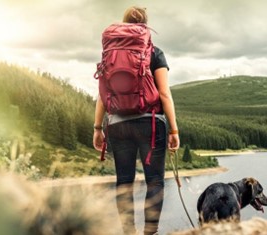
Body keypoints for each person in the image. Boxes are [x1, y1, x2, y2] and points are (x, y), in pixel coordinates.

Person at [92, 6, 180, 235]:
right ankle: (150, 233)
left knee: (124, 181)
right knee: (155, 182)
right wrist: (174, 131)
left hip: (118, 124)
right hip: (150, 124)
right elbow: (164, 94)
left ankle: (128, 232)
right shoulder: (154, 53)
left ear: (123, 24)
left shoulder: (109, 54)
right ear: (145, 26)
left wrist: (97, 128)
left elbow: (102, 95)